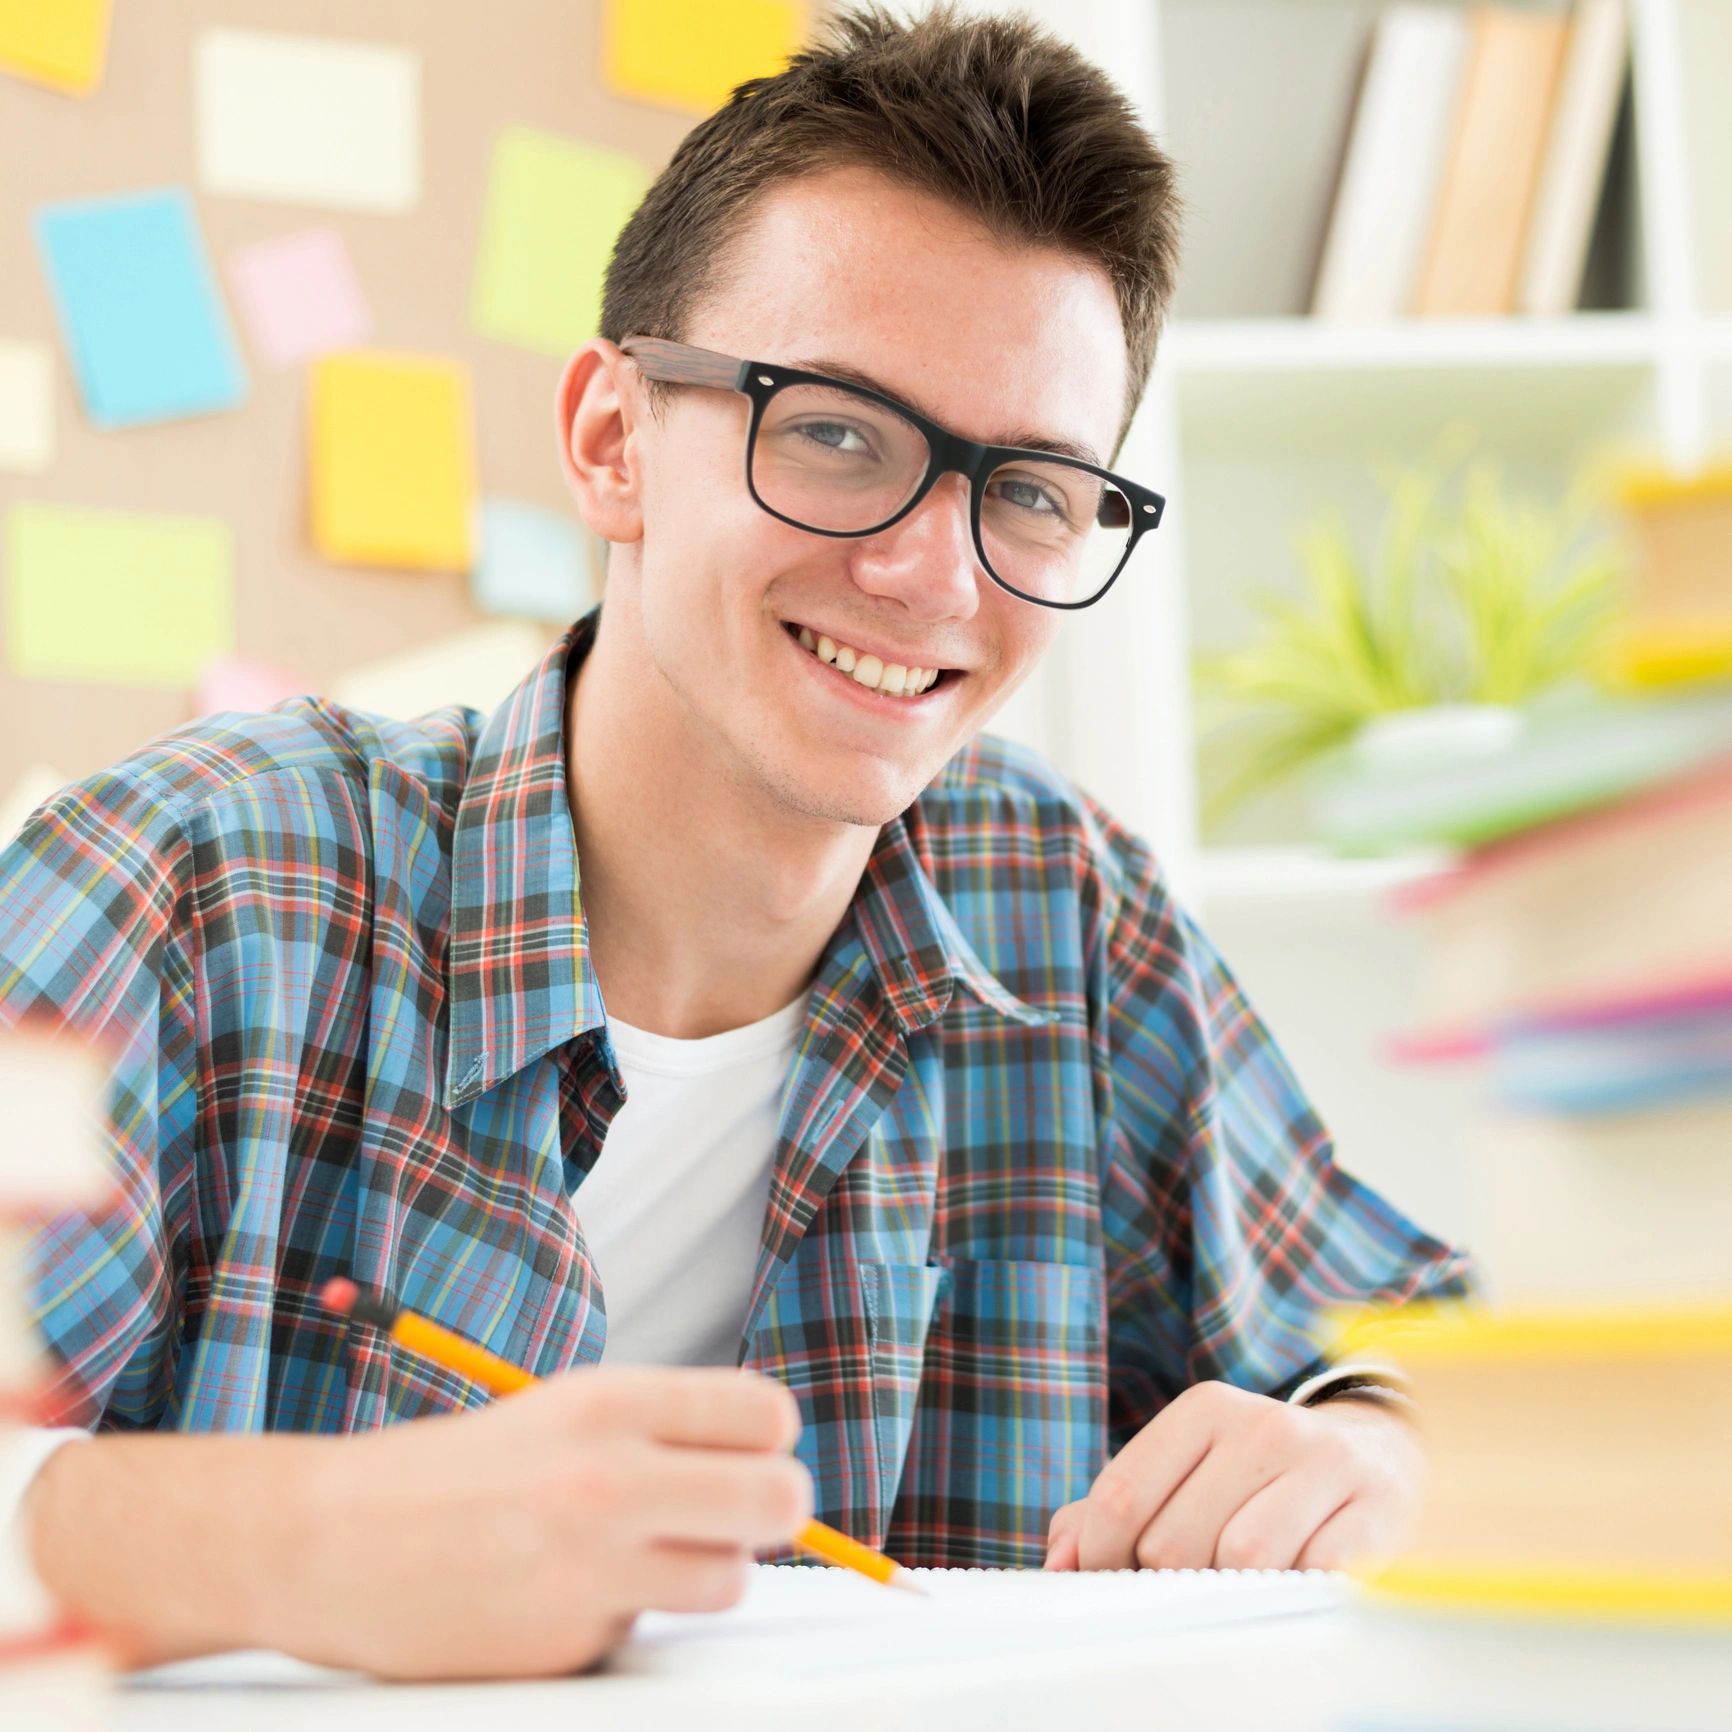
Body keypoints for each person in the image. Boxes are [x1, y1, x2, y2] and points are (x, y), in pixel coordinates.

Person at [0, 4, 1469, 1682]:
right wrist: (302, 1546)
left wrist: (1383, 1445)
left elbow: (1437, 1347)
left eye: (1037, 490)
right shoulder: (204, 882)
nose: (935, 576)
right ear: (614, 441)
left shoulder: (1060, 914)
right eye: (838, 431)